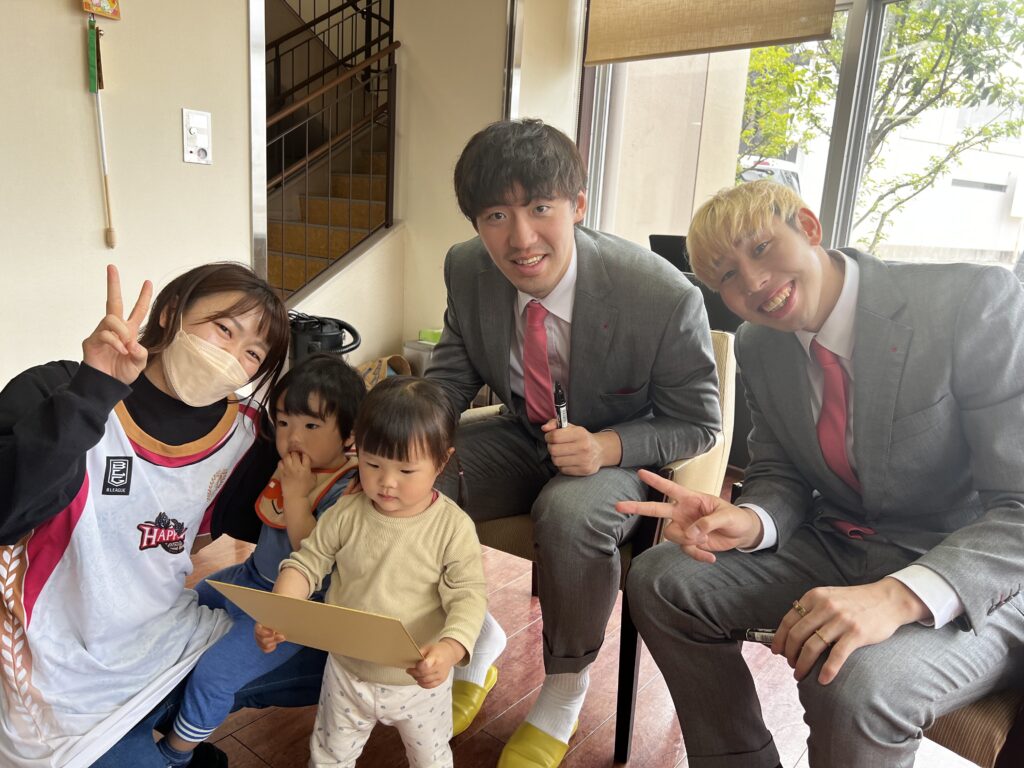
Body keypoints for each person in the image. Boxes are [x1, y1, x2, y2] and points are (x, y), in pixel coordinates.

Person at [620, 179, 1024, 767]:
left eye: (761, 248)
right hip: (841, 545)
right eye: (727, 276)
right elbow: (779, 470)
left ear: (809, 227)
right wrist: (751, 520)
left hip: (972, 572)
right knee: (661, 580)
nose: (752, 282)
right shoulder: (760, 345)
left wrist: (897, 596)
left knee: (854, 681)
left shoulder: (971, 301)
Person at [425, 118, 722, 767]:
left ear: (578, 205)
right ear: (477, 223)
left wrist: (607, 448)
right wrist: (402, 438)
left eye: (540, 208)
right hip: (523, 432)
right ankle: (475, 636)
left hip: (621, 450)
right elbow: (450, 376)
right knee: (408, 476)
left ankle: (564, 689)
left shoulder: (660, 294)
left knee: (568, 512)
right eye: (496, 215)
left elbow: (700, 422)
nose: (520, 238)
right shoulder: (466, 267)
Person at [0, 262, 304, 768]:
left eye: (253, 353)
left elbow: (278, 524)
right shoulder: (57, 388)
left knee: (337, 660)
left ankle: (163, 730)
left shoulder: (245, 433)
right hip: (53, 671)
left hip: (166, 636)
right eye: (224, 329)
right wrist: (93, 390)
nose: (233, 357)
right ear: (171, 313)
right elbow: (8, 511)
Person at [256, 375, 486, 768]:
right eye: (372, 463)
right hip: (347, 672)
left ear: (441, 462)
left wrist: (450, 649)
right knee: (329, 757)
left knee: (431, 758)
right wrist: (281, 610)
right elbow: (306, 562)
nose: (386, 483)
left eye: (406, 471)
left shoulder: (452, 528)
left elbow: (469, 595)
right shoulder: (347, 512)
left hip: (418, 682)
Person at [154, 353, 366, 766]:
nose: (293, 437)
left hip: (295, 609)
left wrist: (297, 494)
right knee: (185, 603)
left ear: (350, 433)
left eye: (310, 426)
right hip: (250, 576)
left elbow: (313, 553)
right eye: (283, 422)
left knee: (216, 673)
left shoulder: (346, 489)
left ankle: (177, 752)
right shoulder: (290, 464)